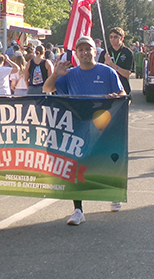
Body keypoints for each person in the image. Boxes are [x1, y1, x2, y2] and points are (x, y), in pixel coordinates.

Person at [42, 35, 125, 223]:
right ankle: (78, 210)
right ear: (76, 54)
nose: (84, 52)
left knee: (106, 161)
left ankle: (112, 193)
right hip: (77, 126)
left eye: (88, 49)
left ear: (95, 51)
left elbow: (123, 94)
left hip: (104, 127)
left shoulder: (107, 72)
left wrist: (117, 96)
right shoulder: (69, 74)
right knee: (75, 166)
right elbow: (47, 89)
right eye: (80, 50)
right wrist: (55, 74)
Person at [98, 27, 134, 95]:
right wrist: (105, 64)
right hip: (108, 88)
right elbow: (100, 73)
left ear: (122, 38)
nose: (112, 39)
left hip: (123, 88)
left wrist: (112, 65)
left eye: (115, 37)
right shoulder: (105, 52)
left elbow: (127, 74)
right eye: (111, 37)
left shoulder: (127, 53)